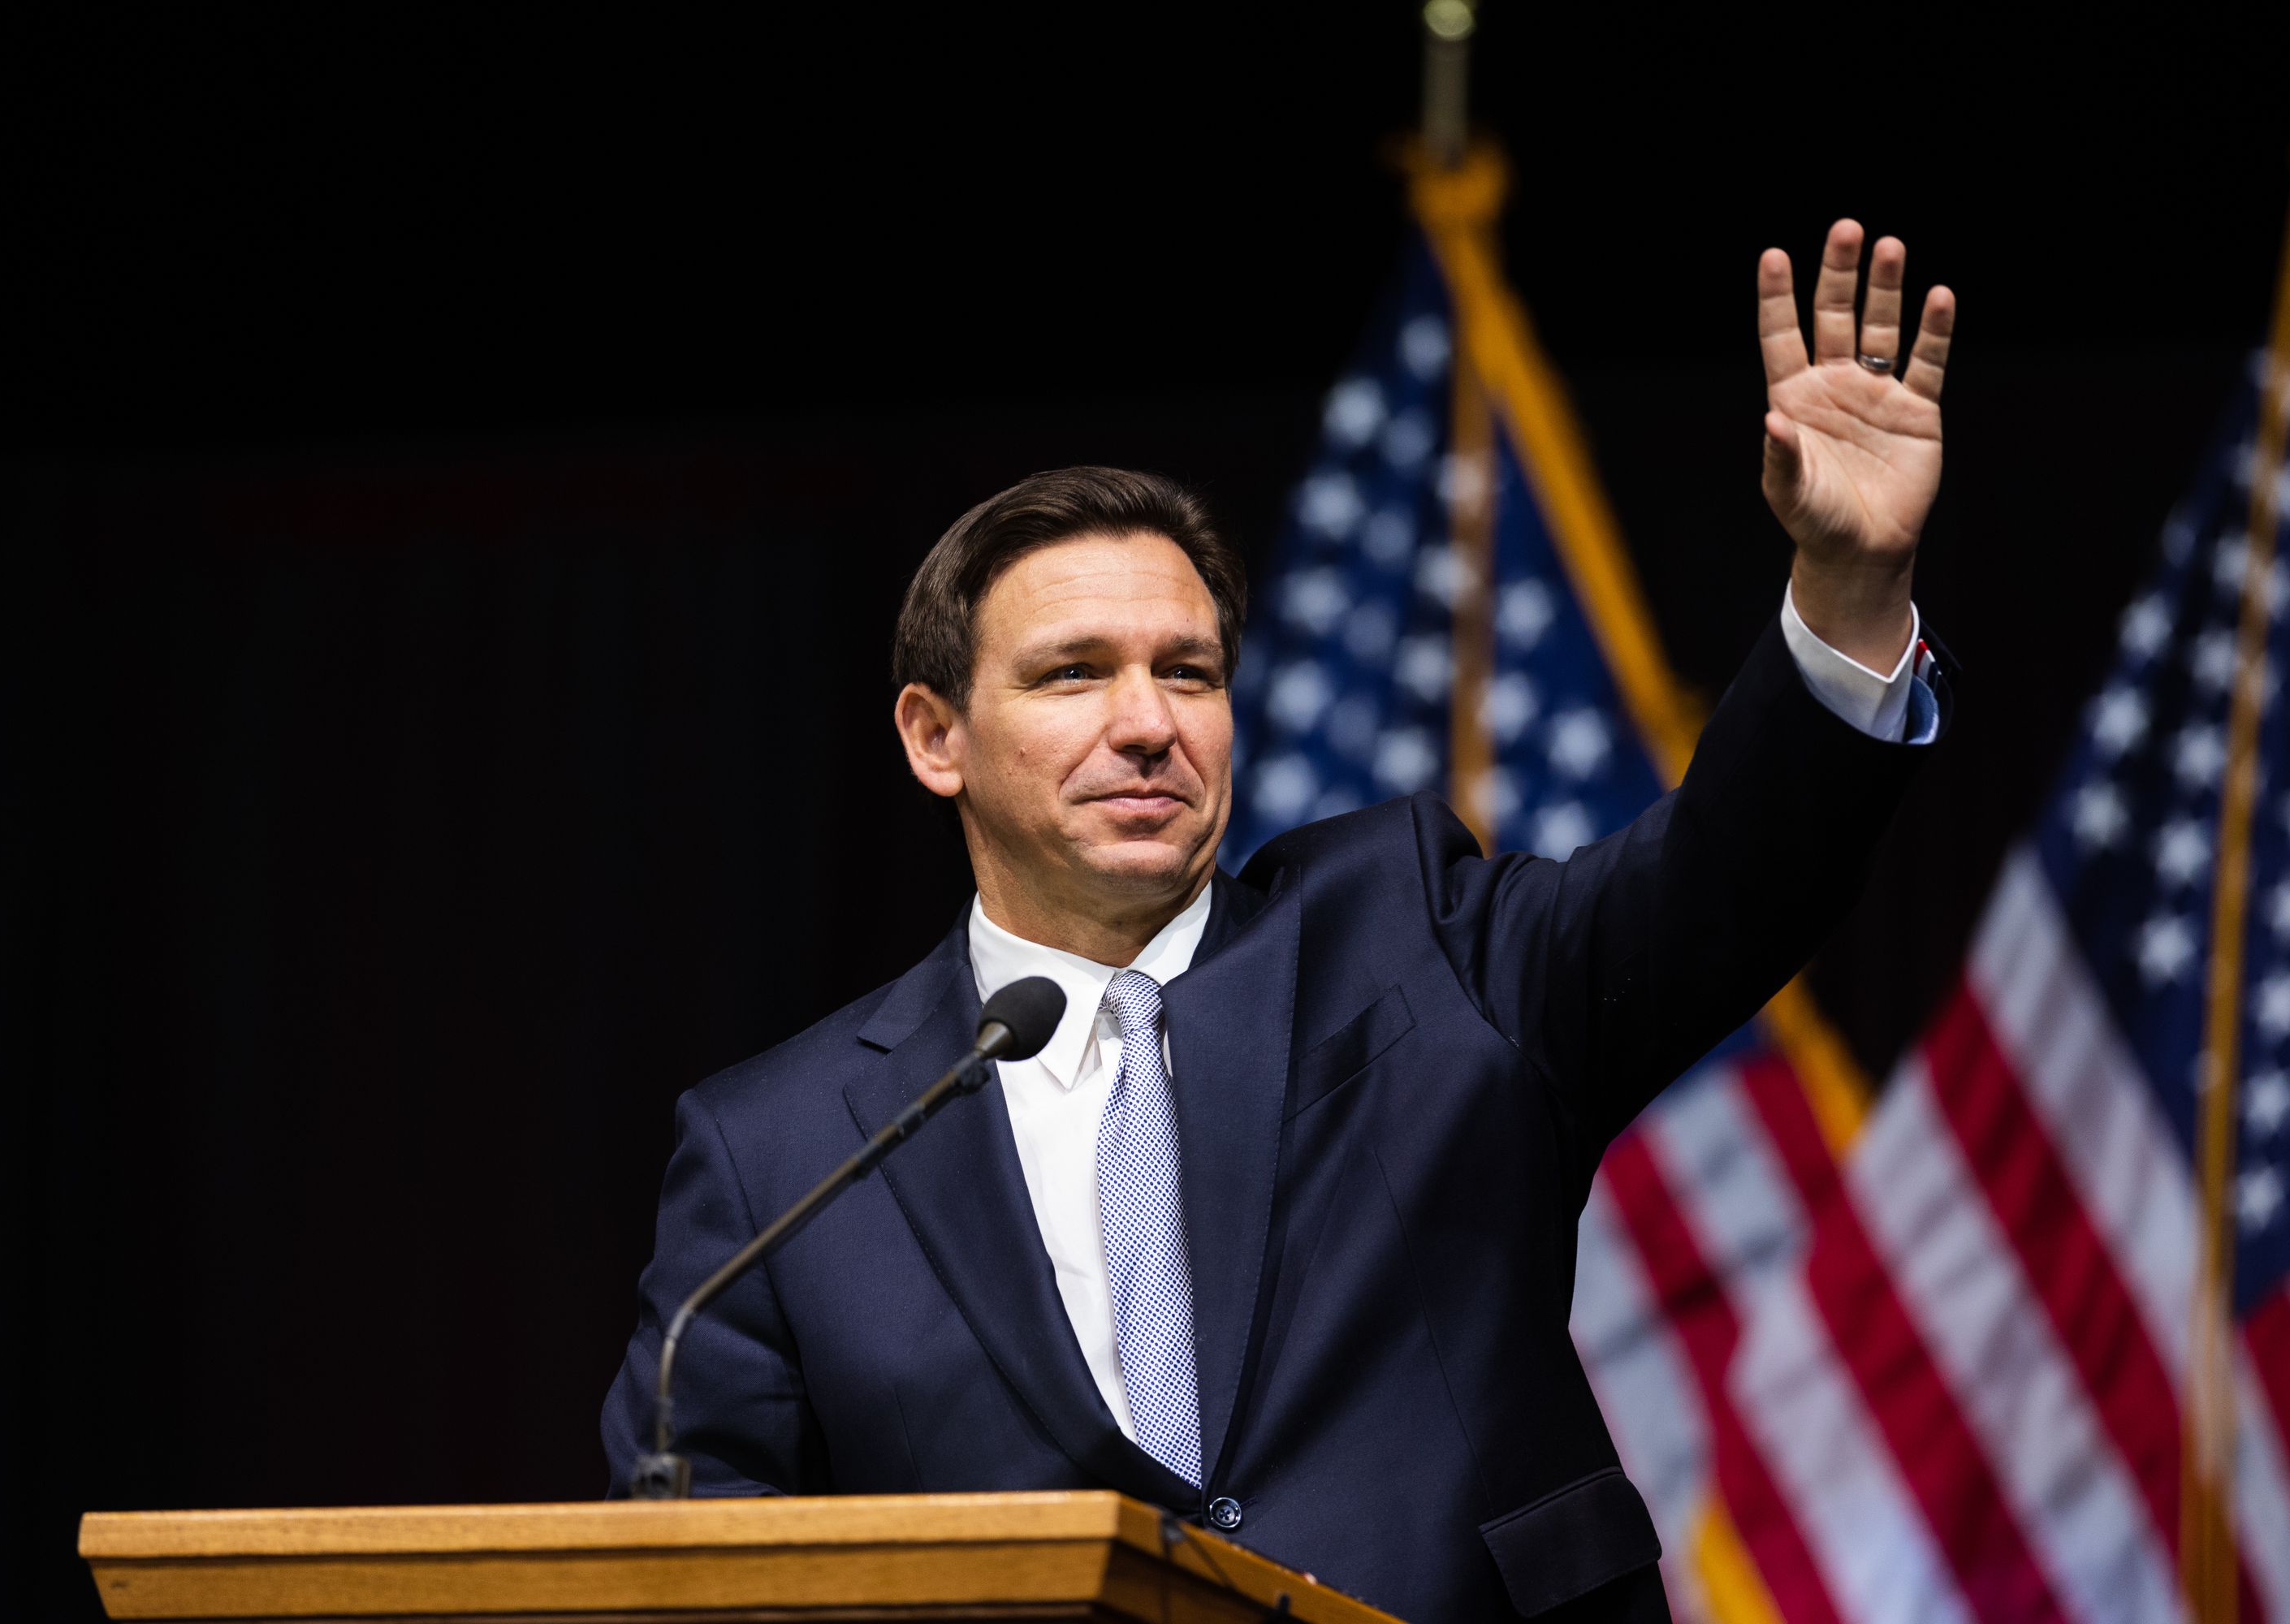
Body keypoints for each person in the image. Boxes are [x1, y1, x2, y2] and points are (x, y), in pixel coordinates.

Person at [603, 221, 1957, 1622]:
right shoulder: (779, 1156)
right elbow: (707, 1564)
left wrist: (1848, 593)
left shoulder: (1422, 943)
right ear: (935, 735)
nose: (1146, 725)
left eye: (1187, 672)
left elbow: (1726, 888)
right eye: (1074, 675)